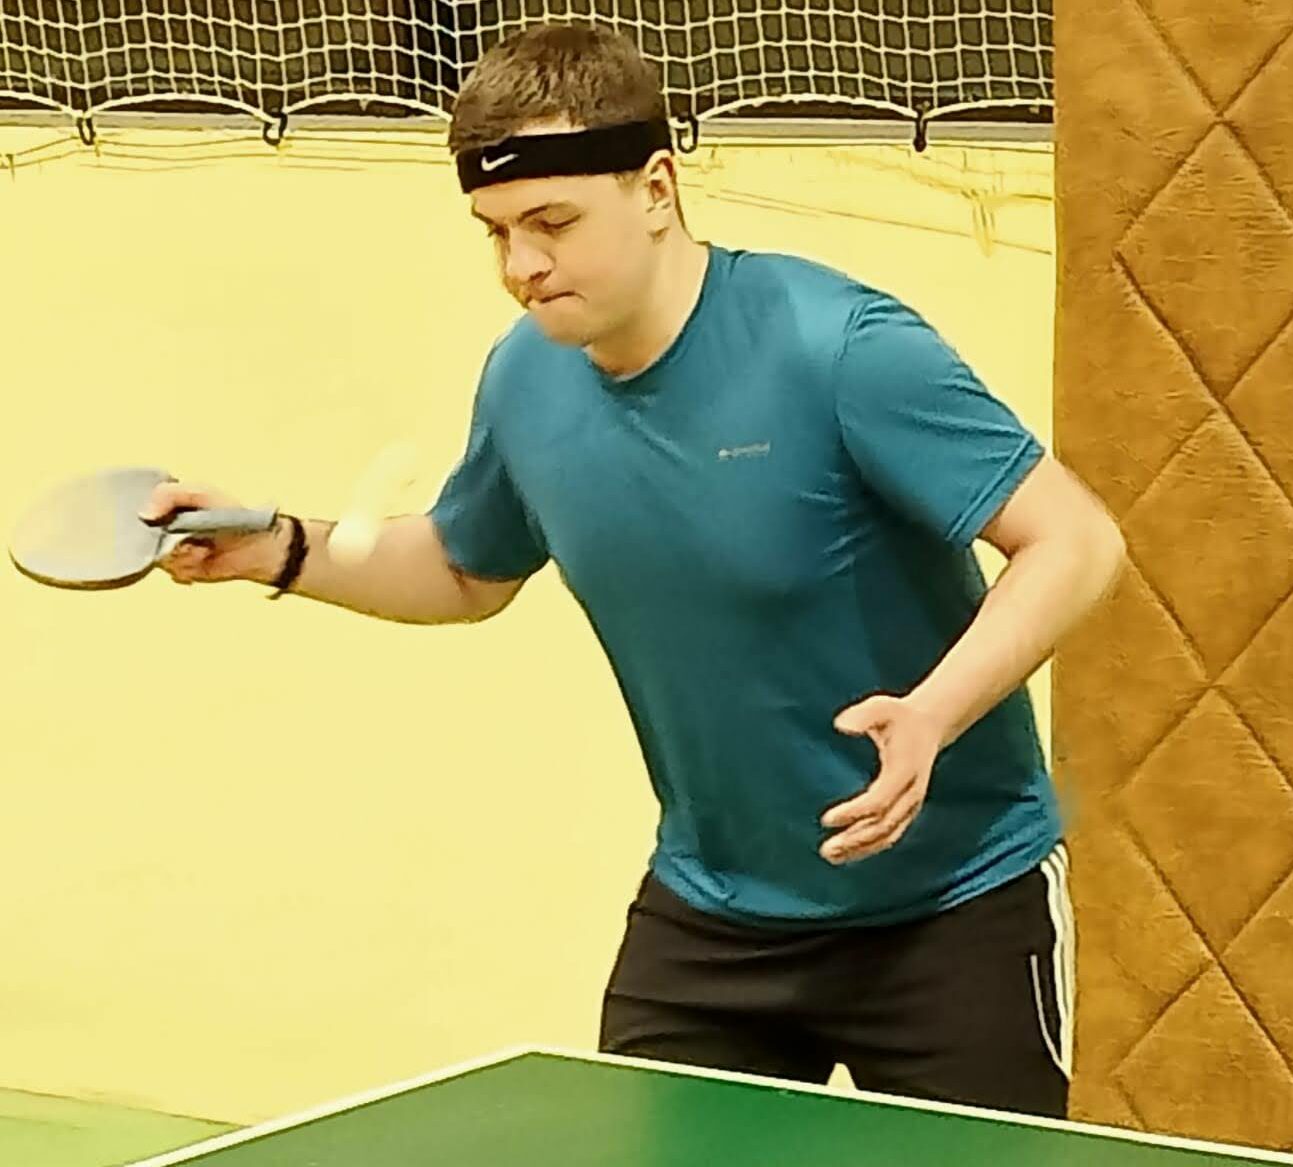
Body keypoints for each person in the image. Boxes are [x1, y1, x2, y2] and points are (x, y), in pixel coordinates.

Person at [142, 21, 1126, 1119]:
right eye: (497, 232)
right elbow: (465, 569)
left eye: (553, 223)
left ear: (657, 188)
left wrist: (935, 713)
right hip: (713, 918)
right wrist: (276, 547)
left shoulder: (840, 348)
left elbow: (1076, 541)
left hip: (951, 908)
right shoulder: (527, 379)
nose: (521, 266)